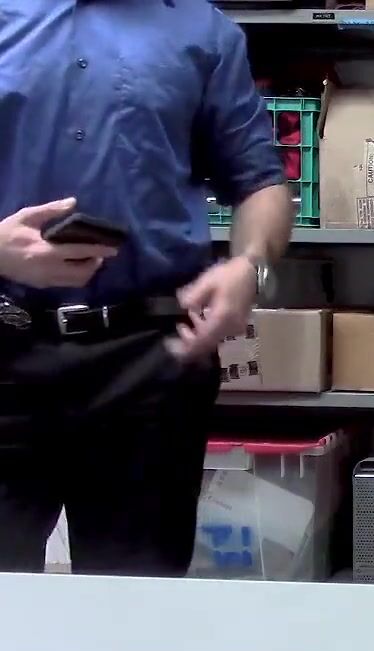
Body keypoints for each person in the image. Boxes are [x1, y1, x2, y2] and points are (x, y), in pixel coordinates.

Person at [0, 1, 293, 576]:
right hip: (4, 349)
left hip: (147, 364)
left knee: (136, 601)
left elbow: (260, 181)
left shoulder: (202, 32)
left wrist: (250, 264)